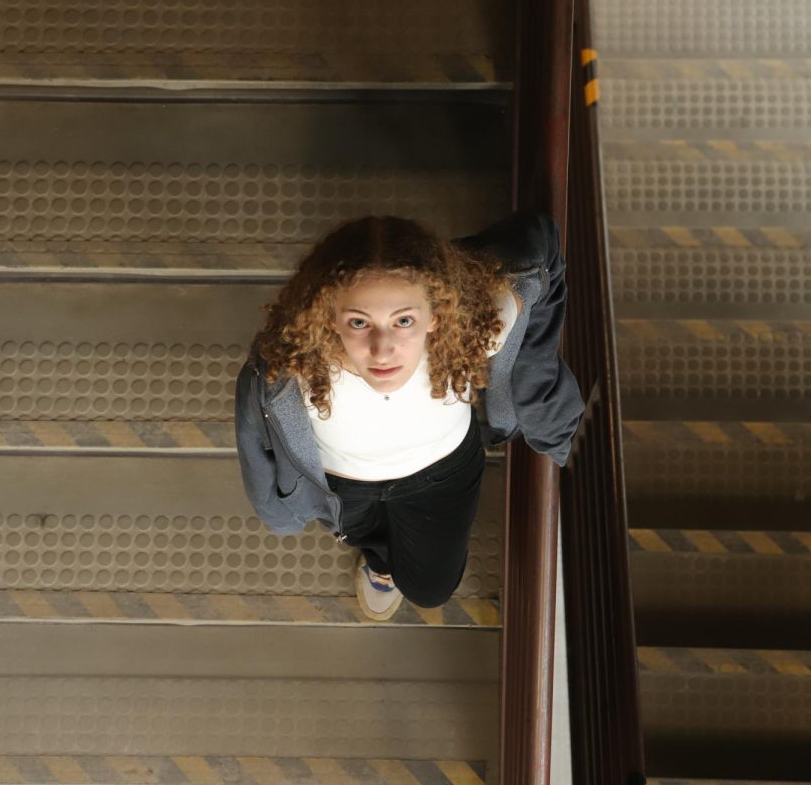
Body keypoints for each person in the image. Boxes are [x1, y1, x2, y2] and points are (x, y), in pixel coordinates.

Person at [234, 208, 584, 621]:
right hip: (344, 486)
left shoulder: (480, 325)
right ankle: (380, 563)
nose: (383, 350)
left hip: (442, 477)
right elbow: (254, 439)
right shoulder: (289, 365)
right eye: (360, 322)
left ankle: (392, 562)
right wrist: (279, 513)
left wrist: (541, 393)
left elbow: (537, 243)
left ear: (436, 313)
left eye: (404, 320)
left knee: (431, 589)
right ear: (330, 315)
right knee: (368, 539)